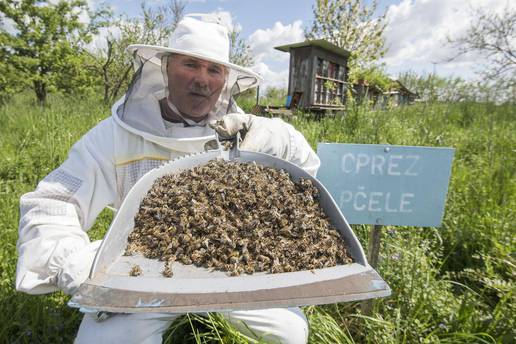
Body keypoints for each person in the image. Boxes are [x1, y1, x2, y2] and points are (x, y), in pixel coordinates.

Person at [15, 14, 320, 344]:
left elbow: (306, 171)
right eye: (190, 64)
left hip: (234, 266)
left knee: (288, 333)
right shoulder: (116, 135)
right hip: (142, 271)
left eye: (213, 69)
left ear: (225, 80)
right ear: (165, 67)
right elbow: (52, 201)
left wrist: (274, 135)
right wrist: (70, 259)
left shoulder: (241, 131)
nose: (202, 79)